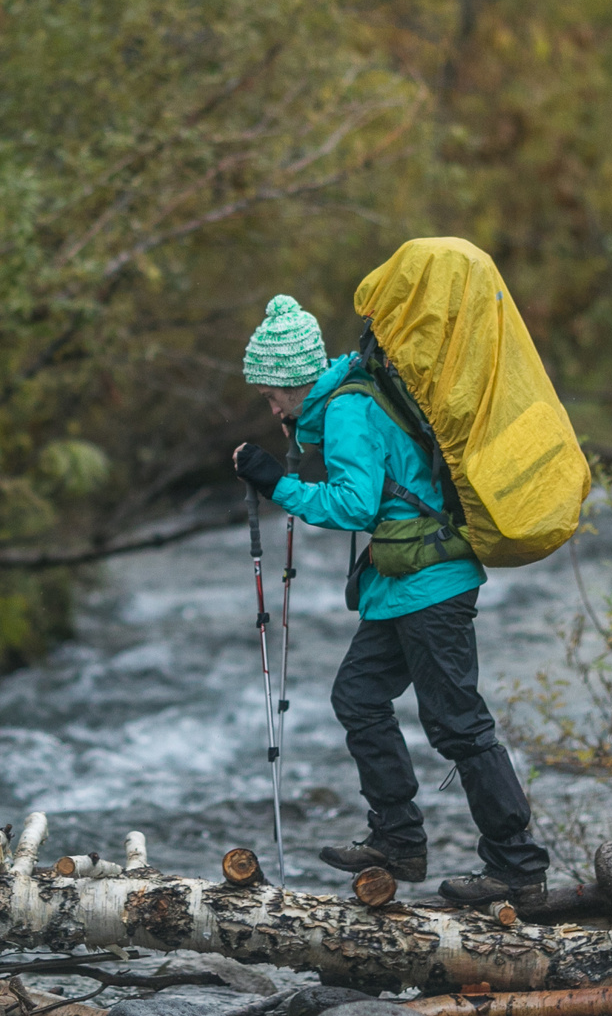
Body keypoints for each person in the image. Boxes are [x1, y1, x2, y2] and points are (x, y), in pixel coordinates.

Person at [229, 293, 550, 907]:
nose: (269, 404)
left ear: (296, 381)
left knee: (458, 723)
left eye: (271, 391)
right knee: (358, 695)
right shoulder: (348, 399)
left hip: (431, 587)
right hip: (402, 587)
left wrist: (278, 484)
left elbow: (355, 505)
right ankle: (399, 841)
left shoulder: (349, 408)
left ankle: (518, 868)